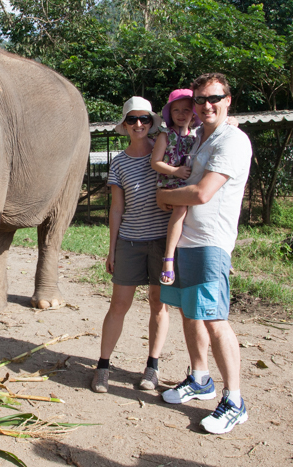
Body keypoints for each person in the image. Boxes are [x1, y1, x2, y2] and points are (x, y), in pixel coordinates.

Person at [157, 73, 252, 434]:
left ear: (228, 99)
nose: (206, 104)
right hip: (184, 241)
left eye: (214, 97)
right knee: (189, 313)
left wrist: (164, 197)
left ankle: (235, 399)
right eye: (200, 99)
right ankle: (200, 378)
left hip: (211, 243)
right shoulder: (198, 141)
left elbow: (200, 193)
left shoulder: (233, 141)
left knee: (214, 319)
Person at [91, 96, 172, 393]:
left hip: (163, 241)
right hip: (130, 240)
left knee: (158, 303)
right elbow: (116, 208)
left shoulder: (165, 154)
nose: (138, 124)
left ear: (152, 123)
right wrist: (112, 249)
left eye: (144, 119)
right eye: (132, 119)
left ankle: (152, 367)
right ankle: (102, 365)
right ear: (124, 125)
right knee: (119, 304)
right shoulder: (120, 161)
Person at [150, 89, 200, 285]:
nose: (181, 114)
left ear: (193, 113)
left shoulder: (197, 136)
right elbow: (155, 163)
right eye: (176, 110)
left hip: (190, 185)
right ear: (169, 114)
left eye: (186, 110)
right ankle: (168, 259)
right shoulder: (165, 136)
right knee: (180, 207)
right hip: (170, 184)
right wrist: (175, 171)